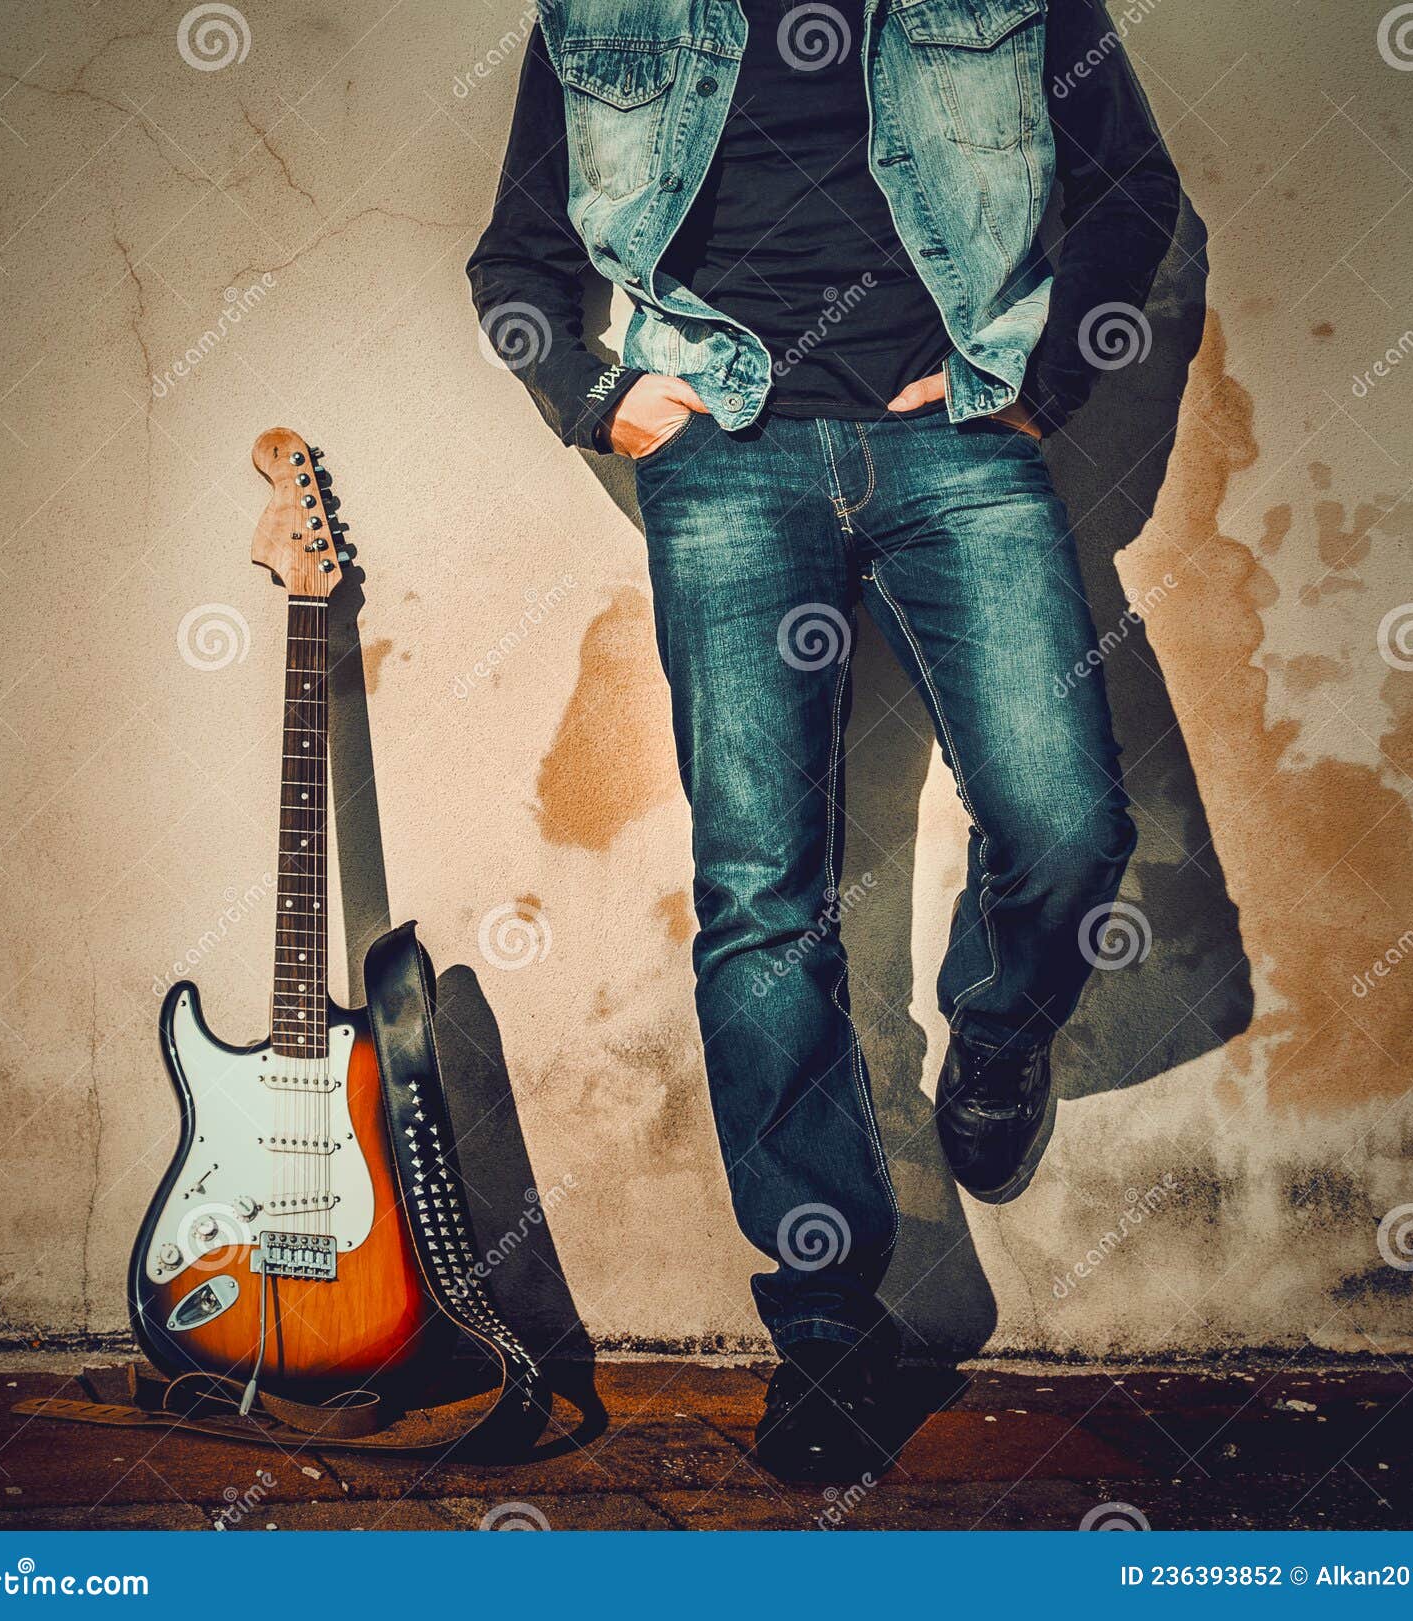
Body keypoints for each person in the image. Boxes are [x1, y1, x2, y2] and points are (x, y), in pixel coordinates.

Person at [469, 0, 1179, 1481]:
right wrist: (601, 399)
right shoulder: (603, 15)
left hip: (956, 441)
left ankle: (995, 1033)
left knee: (1068, 822)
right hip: (728, 460)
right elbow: (517, 263)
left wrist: (1036, 387)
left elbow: (1136, 196)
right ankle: (829, 1324)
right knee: (760, 898)